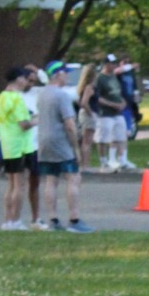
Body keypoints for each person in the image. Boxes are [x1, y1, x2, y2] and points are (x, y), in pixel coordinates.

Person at [37, 61, 94, 232]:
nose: (67, 76)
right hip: (60, 141)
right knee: (73, 177)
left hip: (44, 141)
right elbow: (69, 124)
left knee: (51, 179)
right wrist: (76, 147)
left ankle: (53, 219)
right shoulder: (61, 96)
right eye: (65, 72)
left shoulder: (42, 94)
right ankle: (74, 219)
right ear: (58, 75)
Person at [0, 66, 36, 230]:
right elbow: (24, 124)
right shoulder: (17, 99)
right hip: (21, 146)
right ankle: (16, 220)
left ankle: (7, 220)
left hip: (8, 145)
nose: (26, 81)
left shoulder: (2, 96)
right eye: (25, 78)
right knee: (20, 185)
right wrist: (37, 120)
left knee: (11, 185)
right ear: (18, 79)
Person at [21, 64, 48, 228]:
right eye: (28, 80)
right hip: (19, 144)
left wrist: (38, 71)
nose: (31, 84)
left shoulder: (36, 93)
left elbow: (48, 84)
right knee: (18, 184)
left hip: (35, 144)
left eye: (33, 81)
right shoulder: (15, 96)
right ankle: (13, 218)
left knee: (35, 183)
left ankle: (35, 217)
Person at [95, 54, 130, 171]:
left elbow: (117, 93)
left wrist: (122, 102)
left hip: (118, 112)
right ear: (106, 64)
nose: (114, 65)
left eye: (115, 63)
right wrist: (112, 104)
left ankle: (122, 160)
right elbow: (98, 97)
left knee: (121, 136)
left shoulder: (113, 76)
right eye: (112, 63)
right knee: (103, 138)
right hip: (105, 113)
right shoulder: (100, 78)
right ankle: (104, 162)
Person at [75, 63, 100, 170]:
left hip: (84, 114)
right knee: (87, 141)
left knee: (86, 140)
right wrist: (91, 113)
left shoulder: (83, 87)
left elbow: (78, 101)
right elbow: (84, 102)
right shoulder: (89, 87)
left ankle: (84, 163)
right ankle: (85, 164)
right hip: (88, 114)